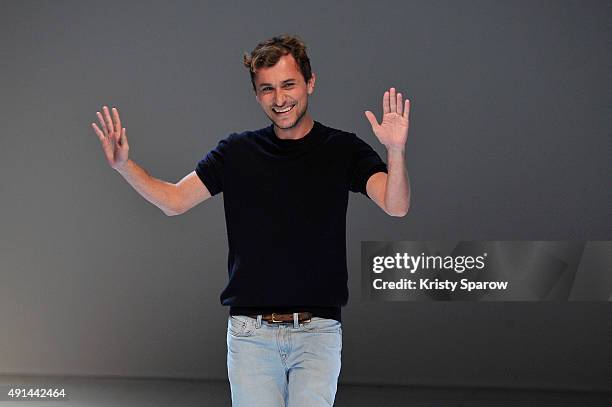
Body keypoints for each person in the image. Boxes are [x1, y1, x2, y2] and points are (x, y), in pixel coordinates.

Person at [91, 34, 411, 407]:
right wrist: (123, 166)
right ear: (256, 94)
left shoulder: (342, 150)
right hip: (250, 335)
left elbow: (396, 205)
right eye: (267, 89)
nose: (279, 99)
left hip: (318, 332)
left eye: (289, 84)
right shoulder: (237, 152)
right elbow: (174, 201)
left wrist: (396, 151)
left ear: (310, 82)